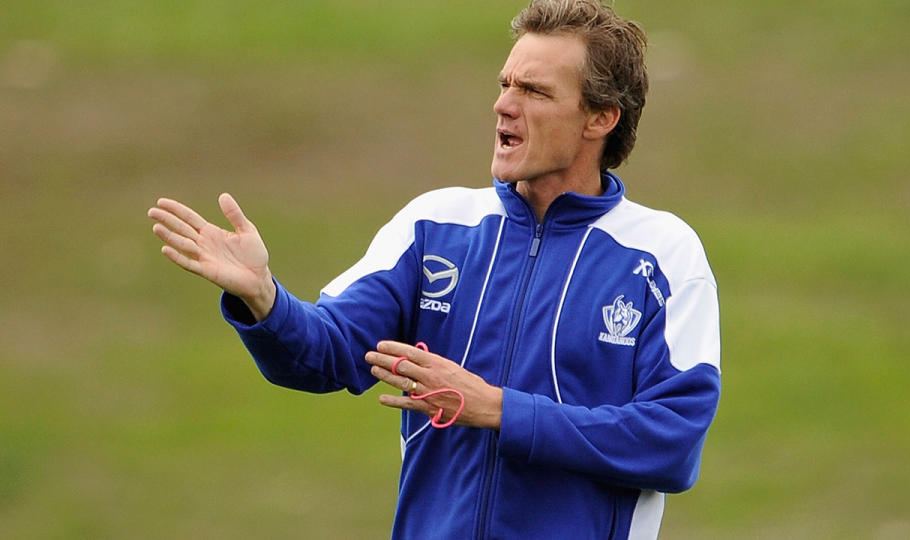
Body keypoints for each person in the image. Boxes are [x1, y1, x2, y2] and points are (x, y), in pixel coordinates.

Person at [147, 0, 721, 538]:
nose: (504, 104)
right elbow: (327, 352)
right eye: (504, 84)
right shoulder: (435, 225)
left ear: (600, 118)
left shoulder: (662, 256)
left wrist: (498, 409)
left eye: (535, 91)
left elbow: (671, 442)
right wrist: (265, 299)